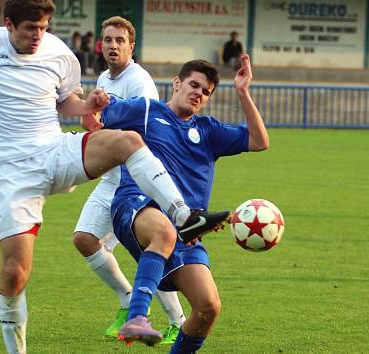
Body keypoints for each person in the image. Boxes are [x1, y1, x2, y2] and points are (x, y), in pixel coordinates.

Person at [0, 1, 225, 353]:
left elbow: (64, 100)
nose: (39, 36)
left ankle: (183, 216)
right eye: (30, 29)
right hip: (10, 170)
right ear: (8, 25)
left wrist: (88, 105)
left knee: (128, 142)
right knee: (15, 273)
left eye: (44, 28)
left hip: (53, 151)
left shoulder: (57, 51)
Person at [91, 55, 268, 351]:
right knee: (164, 233)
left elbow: (259, 141)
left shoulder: (209, 131)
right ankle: (136, 317)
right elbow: (100, 114)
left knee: (208, 307)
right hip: (136, 204)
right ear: (177, 83)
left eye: (206, 91)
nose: (198, 93)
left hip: (186, 231)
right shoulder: (147, 111)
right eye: (194, 85)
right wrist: (97, 101)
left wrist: (243, 92)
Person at [73, 16, 187, 345]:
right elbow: (99, 127)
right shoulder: (104, 79)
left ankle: (178, 321)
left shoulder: (139, 81)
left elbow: (150, 130)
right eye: (107, 40)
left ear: (131, 46)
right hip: (111, 178)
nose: (112, 46)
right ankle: (127, 301)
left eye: (119, 41)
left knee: (148, 249)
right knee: (83, 238)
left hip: (135, 182)